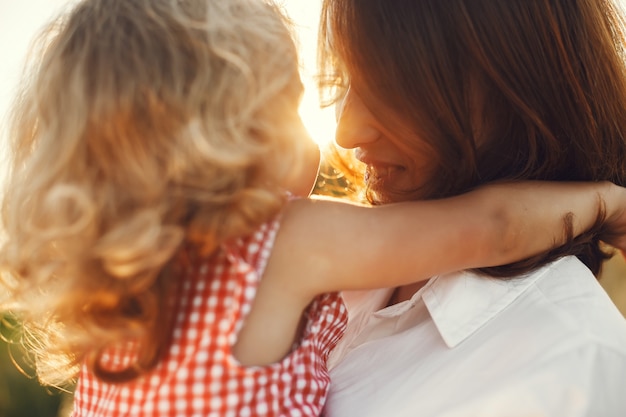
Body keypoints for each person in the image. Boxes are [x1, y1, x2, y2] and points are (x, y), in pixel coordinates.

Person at [1, 0, 625, 416]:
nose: (344, 131)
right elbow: (494, 228)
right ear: (231, 137)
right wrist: (605, 201)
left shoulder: (124, 290)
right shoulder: (291, 241)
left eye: (383, 87)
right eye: (294, 102)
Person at [317, 0, 626, 416]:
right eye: (345, 77)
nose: (346, 132)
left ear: (523, 87)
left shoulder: (574, 364)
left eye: (394, 84)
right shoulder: (326, 252)